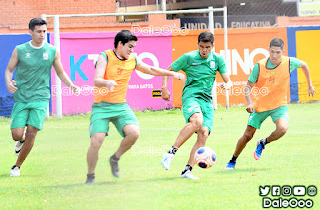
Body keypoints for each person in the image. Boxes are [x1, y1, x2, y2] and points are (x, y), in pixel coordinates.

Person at [85, 30, 185, 184]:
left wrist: (172, 74)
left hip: (120, 106)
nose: (132, 50)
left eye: (133, 47)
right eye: (130, 47)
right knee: (96, 141)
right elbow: (97, 80)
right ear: (120, 44)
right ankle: (90, 175)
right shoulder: (104, 56)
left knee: (134, 133)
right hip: (101, 107)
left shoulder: (133, 59)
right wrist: (107, 82)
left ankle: (115, 158)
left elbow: (151, 69)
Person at [225, 38, 316, 170]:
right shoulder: (260, 66)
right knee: (247, 136)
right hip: (260, 106)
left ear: (282, 52)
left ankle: (263, 142)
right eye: (272, 52)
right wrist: (249, 103)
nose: (274, 55)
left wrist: (310, 85)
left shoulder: (289, 62)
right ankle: (233, 160)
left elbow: (304, 65)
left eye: (278, 52)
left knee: (282, 129)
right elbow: (248, 86)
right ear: (268, 50)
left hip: (279, 105)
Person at [5, 18, 80, 177]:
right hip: (22, 97)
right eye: (39, 31)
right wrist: (8, 83)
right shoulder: (20, 49)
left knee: (33, 131)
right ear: (30, 32)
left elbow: (60, 72)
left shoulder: (52, 51)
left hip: (41, 97)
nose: (42, 34)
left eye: (44, 31)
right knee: (17, 134)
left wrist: (71, 85)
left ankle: (17, 166)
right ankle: (21, 140)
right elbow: (9, 70)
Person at [161, 31, 232, 180]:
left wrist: (228, 85)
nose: (204, 50)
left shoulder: (218, 59)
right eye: (201, 47)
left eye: (207, 47)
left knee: (204, 133)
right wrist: (164, 88)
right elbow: (167, 70)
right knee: (197, 121)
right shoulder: (189, 58)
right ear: (197, 45)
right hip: (191, 96)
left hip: (207, 101)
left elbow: (228, 80)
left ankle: (187, 170)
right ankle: (170, 153)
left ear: (212, 46)